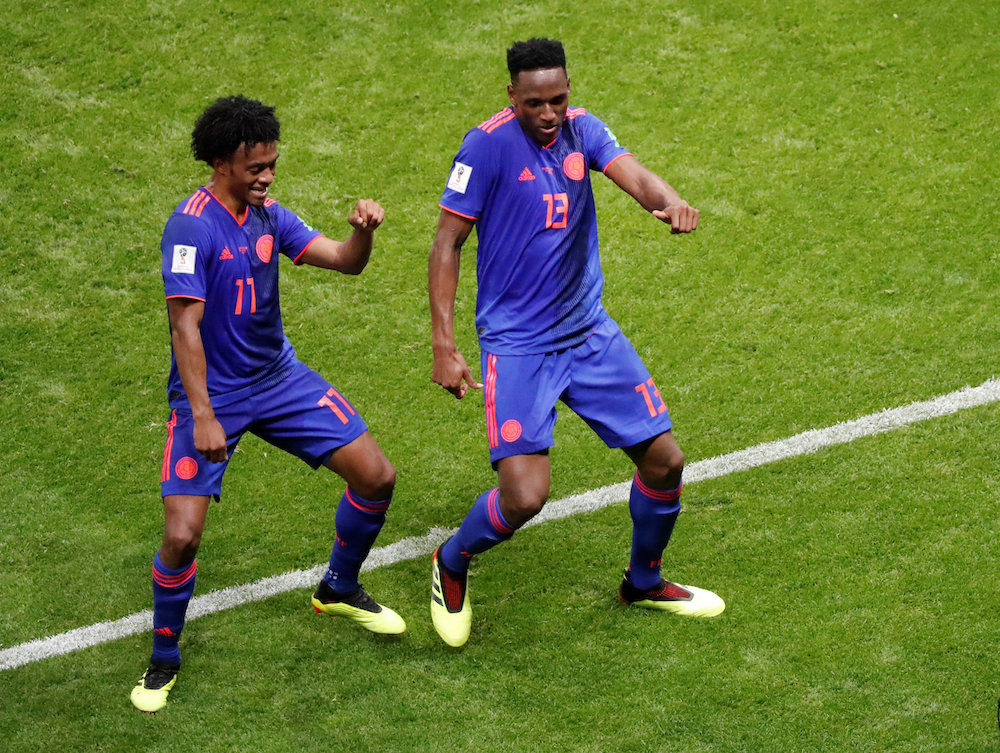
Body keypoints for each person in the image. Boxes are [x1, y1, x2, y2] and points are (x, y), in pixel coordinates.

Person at [427, 39, 724, 647]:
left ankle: (643, 582)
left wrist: (670, 202)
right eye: (535, 103)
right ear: (511, 96)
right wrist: (444, 344)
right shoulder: (484, 147)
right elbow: (446, 244)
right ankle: (451, 561)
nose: (549, 114)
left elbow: (633, 175)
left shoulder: (582, 129)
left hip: (588, 332)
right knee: (524, 497)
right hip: (519, 345)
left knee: (665, 461)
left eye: (558, 100)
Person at [131, 95, 405, 713]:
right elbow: (184, 328)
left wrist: (362, 234)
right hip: (213, 397)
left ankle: (338, 587)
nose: (269, 176)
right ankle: (164, 658)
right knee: (182, 536)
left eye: (273, 164)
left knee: (376, 476)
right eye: (257, 167)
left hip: (279, 381)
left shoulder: (269, 216)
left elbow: (345, 263)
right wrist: (204, 415)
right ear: (221, 163)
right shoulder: (191, 227)